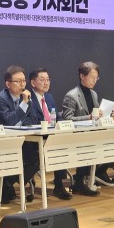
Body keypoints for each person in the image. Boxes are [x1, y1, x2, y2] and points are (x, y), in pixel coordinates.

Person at [61, 61, 114, 196]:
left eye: (96, 78)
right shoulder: (72, 95)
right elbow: (67, 120)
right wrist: (89, 117)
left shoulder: (94, 94)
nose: (94, 80)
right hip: (76, 136)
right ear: (82, 76)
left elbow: (95, 116)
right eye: (92, 77)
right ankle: (79, 183)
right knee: (87, 145)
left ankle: (90, 177)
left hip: (91, 134)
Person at [0, 65, 40, 203]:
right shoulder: (0, 99)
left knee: (37, 158)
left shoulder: (26, 97)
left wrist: (21, 120)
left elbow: (33, 119)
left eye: (24, 81)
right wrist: (24, 103)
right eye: (18, 81)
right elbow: (10, 121)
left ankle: (7, 184)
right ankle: (6, 187)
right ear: (8, 84)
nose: (22, 85)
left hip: (22, 139)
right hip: (4, 142)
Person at [28, 68, 71, 200]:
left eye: (48, 80)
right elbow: (31, 121)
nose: (46, 83)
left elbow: (55, 117)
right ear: (33, 83)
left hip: (50, 137)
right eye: (42, 80)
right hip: (34, 140)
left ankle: (59, 186)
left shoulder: (49, 97)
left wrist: (63, 123)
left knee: (62, 146)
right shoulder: (28, 98)